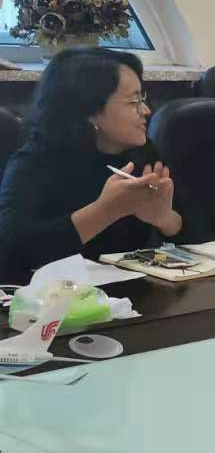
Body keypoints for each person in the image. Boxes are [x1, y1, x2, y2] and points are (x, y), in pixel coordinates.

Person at [0, 47, 192, 281]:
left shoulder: (144, 154)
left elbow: (205, 237)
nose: (146, 110)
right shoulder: (35, 162)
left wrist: (165, 219)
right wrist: (106, 211)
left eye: (142, 99)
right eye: (133, 101)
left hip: (135, 293)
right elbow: (12, 249)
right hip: (57, 296)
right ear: (88, 110)